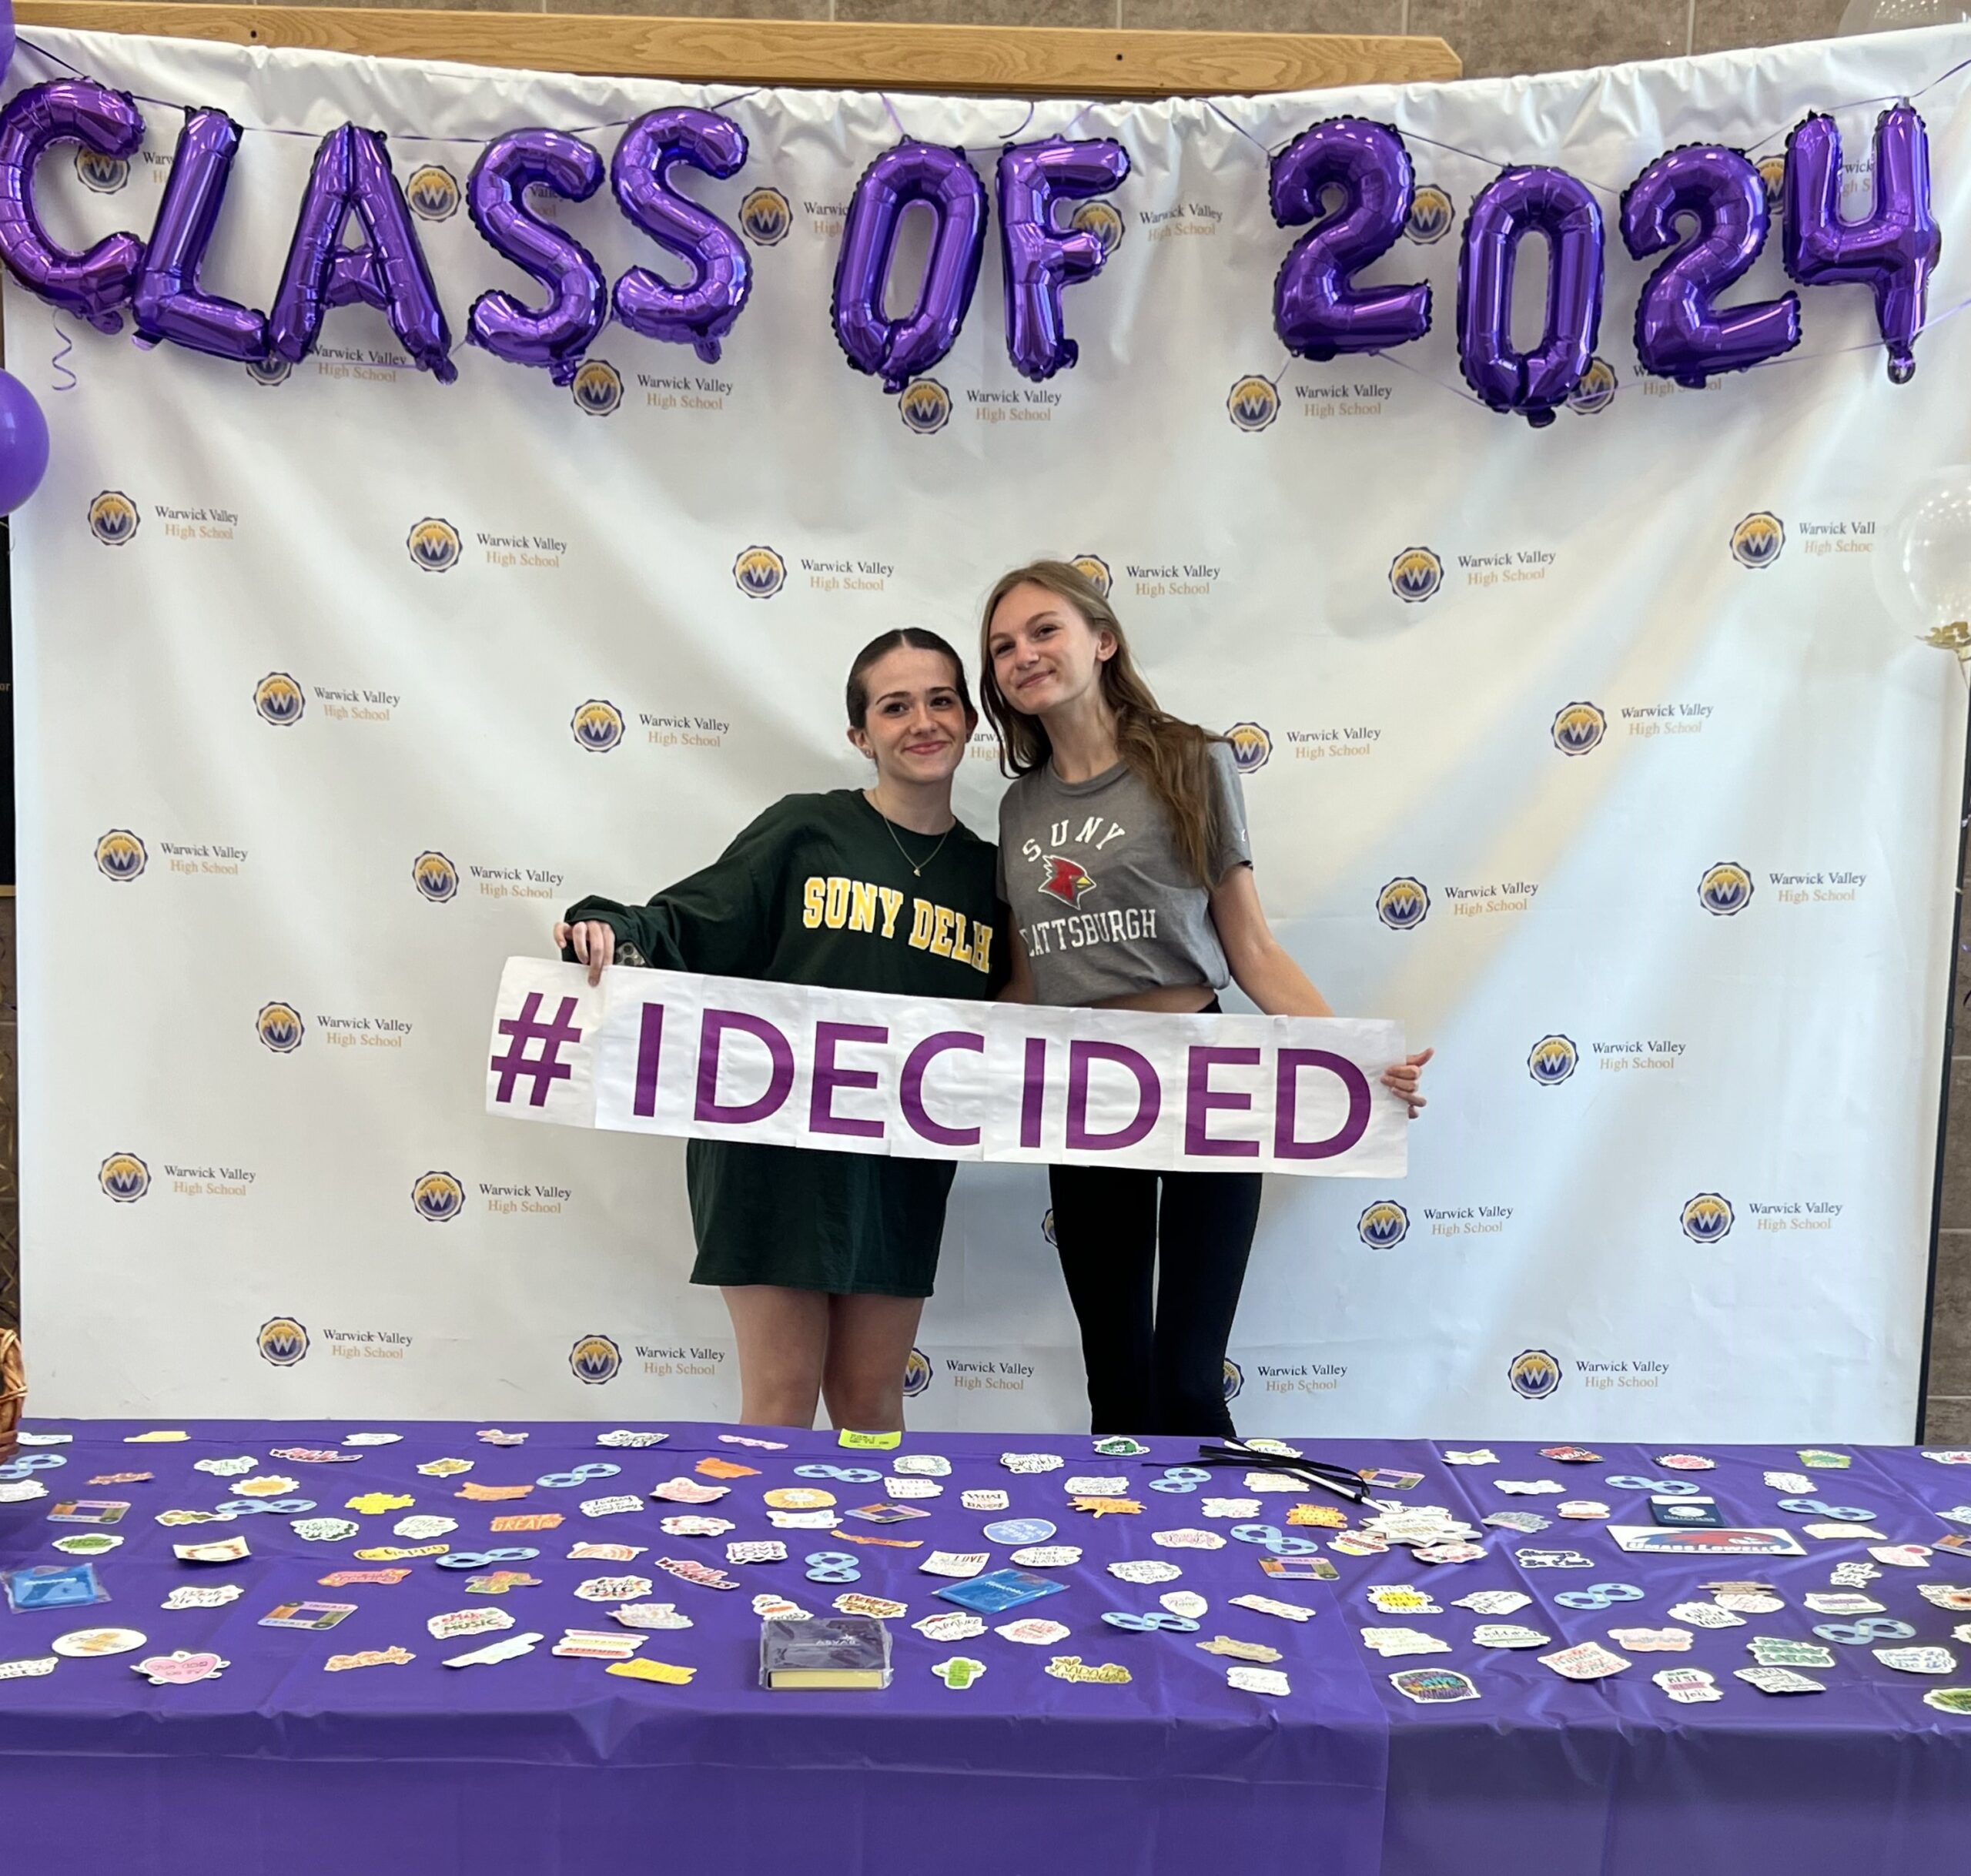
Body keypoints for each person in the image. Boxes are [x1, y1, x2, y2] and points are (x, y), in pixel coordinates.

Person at [979, 560, 1431, 1436]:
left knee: (1188, 1382)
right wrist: (910, 1049)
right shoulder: (1018, 808)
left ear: (1101, 641)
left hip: (1203, 1072)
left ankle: (1215, 1570)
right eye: (1002, 647)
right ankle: (1117, 1569)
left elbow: (1251, 946)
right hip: (1085, 1087)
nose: (1022, 655)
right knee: (1115, 1381)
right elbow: (1029, 980)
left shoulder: (1191, 760)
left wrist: (1353, 1056)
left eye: (1043, 631)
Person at [554, 629, 1005, 1433]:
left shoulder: (991, 877)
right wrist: (606, 927)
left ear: (970, 720)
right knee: (780, 1403)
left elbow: (1017, 1020)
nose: (922, 721)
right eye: (894, 706)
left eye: (940, 700)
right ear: (860, 735)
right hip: (770, 1151)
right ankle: (768, 1561)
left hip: (897, 1161)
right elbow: (691, 920)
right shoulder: (806, 830)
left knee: (871, 1405)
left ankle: (873, 1558)